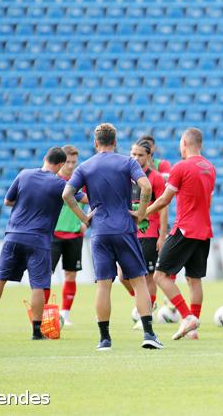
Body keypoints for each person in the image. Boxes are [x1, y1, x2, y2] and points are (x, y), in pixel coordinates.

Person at [62, 123, 162, 350]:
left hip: (100, 231)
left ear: (96, 143)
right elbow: (146, 187)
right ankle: (148, 334)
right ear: (115, 142)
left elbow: (67, 194)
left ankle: (104, 339)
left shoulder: (85, 166)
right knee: (139, 282)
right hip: (124, 228)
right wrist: (141, 213)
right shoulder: (127, 162)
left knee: (103, 285)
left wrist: (85, 219)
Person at [0, 148, 83, 342]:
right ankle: (36, 331)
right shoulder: (60, 183)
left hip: (13, 235)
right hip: (38, 240)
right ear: (60, 165)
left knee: (0, 278)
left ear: (45, 159)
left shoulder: (24, 174)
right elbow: (80, 199)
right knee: (38, 286)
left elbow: (8, 201)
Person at [146, 128, 216, 340]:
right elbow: (209, 201)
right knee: (194, 280)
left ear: (184, 142)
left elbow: (165, 199)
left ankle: (187, 317)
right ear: (200, 144)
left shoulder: (181, 167)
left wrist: (143, 213)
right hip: (204, 230)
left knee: (160, 275)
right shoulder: (210, 168)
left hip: (185, 228)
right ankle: (192, 329)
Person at [120, 140, 169, 328]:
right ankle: (146, 303)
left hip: (149, 233)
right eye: (133, 154)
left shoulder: (155, 178)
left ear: (149, 156)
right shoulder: (125, 177)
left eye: (140, 155)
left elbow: (163, 208)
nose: (135, 158)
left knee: (147, 276)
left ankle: (145, 312)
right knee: (122, 274)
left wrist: (162, 236)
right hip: (127, 232)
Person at [50, 145, 86, 326]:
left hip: (74, 235)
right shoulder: (53, 180)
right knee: (45, 274)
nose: (71, 166)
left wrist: (84, 221)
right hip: (53, 235)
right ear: (61, 162)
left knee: (70, 275)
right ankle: (45, 312)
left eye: (74, 162)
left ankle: (65, 314)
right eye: (68, 162)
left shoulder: (78, 181)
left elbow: (89, 200)